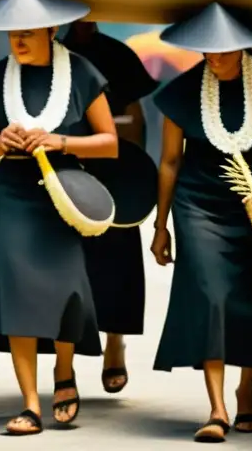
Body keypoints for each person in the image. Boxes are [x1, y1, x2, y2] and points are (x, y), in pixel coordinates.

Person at [0, 0, 118, 436]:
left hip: (65, 192)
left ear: (51, 30)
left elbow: (109, 144)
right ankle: (30, 403)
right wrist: (3, 142)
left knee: (67, 288)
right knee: (16, 295)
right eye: (12, 34)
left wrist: (59, 140)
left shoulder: (82, 73)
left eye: (28, 33)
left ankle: (63, 373)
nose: (19, 42)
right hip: (11, 195)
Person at [151, 2, 252, 443]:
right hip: (197, 206)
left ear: (245, 45)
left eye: (225, 49)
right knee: (210, 296)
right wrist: (161, 225)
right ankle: (217, 407)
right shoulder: (182, 91)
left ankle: (245, 392)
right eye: (207, 49)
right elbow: (168, 162)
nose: (215, 57)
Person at [61, 21, 159, 394]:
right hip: (63, 167)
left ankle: (115, 339)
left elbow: (135, 118)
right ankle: (65, 353)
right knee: (69, 260)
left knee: (119, 261)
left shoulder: (118, 54)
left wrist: (128, 169)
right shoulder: (52, 52)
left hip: (115, 171)